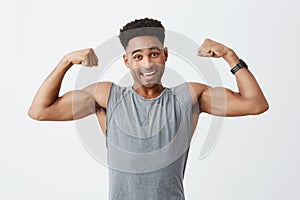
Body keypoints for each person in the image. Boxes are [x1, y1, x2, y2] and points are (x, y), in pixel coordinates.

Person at [28, 18, 269, 200]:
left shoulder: (189, 96)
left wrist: (229, 55)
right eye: (138, 56)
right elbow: (40, 111)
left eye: (154, 54)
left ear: (165, 56)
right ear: (127, 61)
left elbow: (255, 104)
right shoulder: (106, 96)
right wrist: (66, 62)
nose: (147, 64)